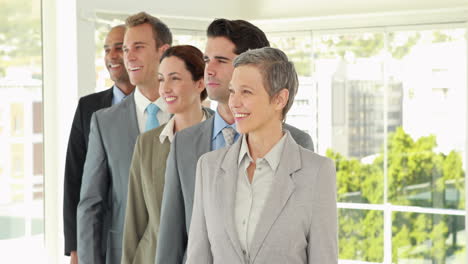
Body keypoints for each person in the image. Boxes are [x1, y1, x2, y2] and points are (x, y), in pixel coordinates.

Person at [156, 19, 314, 264]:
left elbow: (307, 238)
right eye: (207, 60)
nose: (208, 70)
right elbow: (171, 236)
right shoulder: (184, 143)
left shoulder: (298, 143)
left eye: (221, 60)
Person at [186, 47, 337, 264]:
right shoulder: (208, 167)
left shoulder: (317, 172)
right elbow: (198, 257)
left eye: (246, 92)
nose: (234, 102)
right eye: (232, 91)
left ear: (279, 99)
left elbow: (324, 258)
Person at [77, 12, 172, 264]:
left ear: (163, 52)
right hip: (121, 255)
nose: (128, 56)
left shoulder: (193, 118)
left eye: (138, 47)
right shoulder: (104, 121)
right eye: (126, 48)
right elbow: (90, 205)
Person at [121, 45, 213, 264]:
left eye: (175, 79)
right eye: (161, 79)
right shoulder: (147, 143)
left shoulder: (220, 139)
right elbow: (135, 220)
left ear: (200, 83)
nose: (165, 89)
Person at [62, 25, 135, 264]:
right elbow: (74, 177)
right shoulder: (88, 106)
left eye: (119, 48)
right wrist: (74, 247)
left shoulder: (159, 106)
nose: (112, 56)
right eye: (106, 50)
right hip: (98, 236)